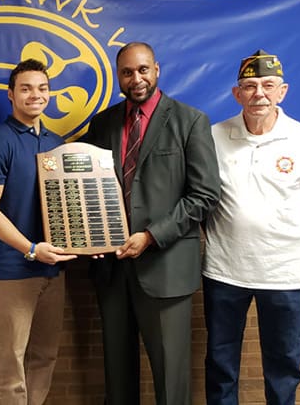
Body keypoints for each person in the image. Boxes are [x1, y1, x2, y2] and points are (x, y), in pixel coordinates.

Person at [80, 42, 220, 405]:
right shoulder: (103, 123)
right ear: (118, 76)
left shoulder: (191, 121)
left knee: (171, 382)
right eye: (127, 72)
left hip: (166, 266)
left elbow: (204, 195)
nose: (136, 78)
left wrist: (151, 236)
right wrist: (91, 238)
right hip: (112, 269)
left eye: (143, 70)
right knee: (117, 377)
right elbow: (90, 188)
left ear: (157, 69)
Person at [203, 50, 300, 405]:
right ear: (236, 93)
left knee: (284, 365)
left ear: (282, 91)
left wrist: (279, 231)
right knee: (221, 364)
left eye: (268, 85)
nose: (259, 93)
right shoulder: (212, 137)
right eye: (250, 86)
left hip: (285, 273)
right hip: (225, 270)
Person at [0, 58, 77, 405]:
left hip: (53, 270)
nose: (36, 95)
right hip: (12, 274)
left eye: (42, 88)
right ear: (11, 95)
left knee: (44, 358)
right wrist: (30, 249)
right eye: (27, 88)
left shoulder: (56, 142)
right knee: (9, 364)